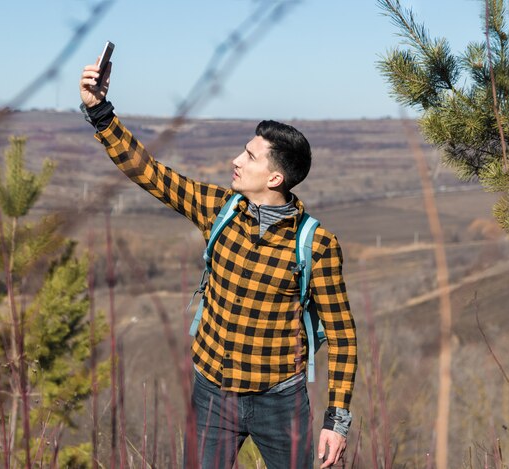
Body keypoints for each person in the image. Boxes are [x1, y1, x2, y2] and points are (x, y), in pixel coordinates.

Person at [79, 59, 357, 469]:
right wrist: (100, 112)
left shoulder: (316, 245)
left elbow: (343, 336)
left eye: (249, 156)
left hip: (280, 400)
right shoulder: (218, 208)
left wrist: (337, 421)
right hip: (211, 392)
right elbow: (149, 172)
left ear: (275, 178)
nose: (236, 160)